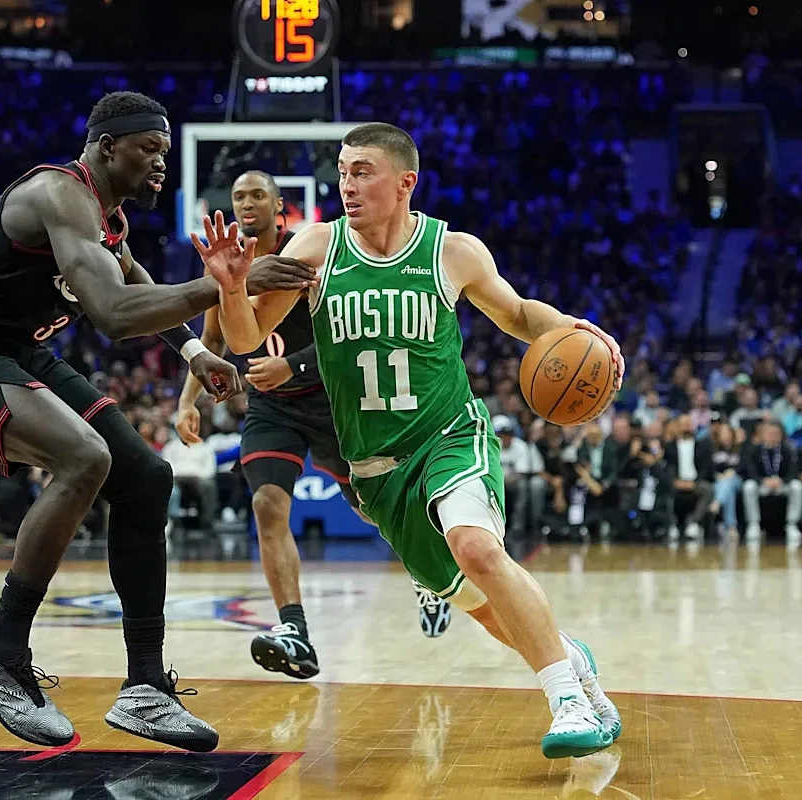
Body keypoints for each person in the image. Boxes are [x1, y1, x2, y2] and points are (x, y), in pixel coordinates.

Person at [0, 91, 316, 749]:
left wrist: (195, 353)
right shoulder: (60, 194)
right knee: (84, 456)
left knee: (146, 477)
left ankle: (146, 688)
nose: (162, 163)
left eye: (166, 151)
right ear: (109, 148)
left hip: (9, 349)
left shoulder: (109, 221)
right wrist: (230, 285)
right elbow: (113, 314)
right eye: (150, 149)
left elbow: (136, 283)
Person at [194, 122, 623, 758]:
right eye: (343, 172)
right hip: (376, 471)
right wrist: (233, 287)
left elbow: (516, 313)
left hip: (449, 434)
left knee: (477, 548)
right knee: (479, 603)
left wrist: (574, 327)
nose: (347, 184)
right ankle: (569, 658)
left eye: (362, 171)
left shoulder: (453, 251)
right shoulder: (315, 249)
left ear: (405, 182)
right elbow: (246, 338)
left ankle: (566, 700)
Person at [176, 170, 451, 681]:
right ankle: (293, 629)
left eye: (258, 195)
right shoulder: (228, 262)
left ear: (279, 205)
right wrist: (187, 401)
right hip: (272, 408)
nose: (247, 203)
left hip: (333, 399)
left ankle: (427, 572)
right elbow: (212, 341)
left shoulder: (306, 254)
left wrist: (292, 364)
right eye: (239, 196)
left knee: (372, 509)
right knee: (266, 504)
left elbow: (351, 333)